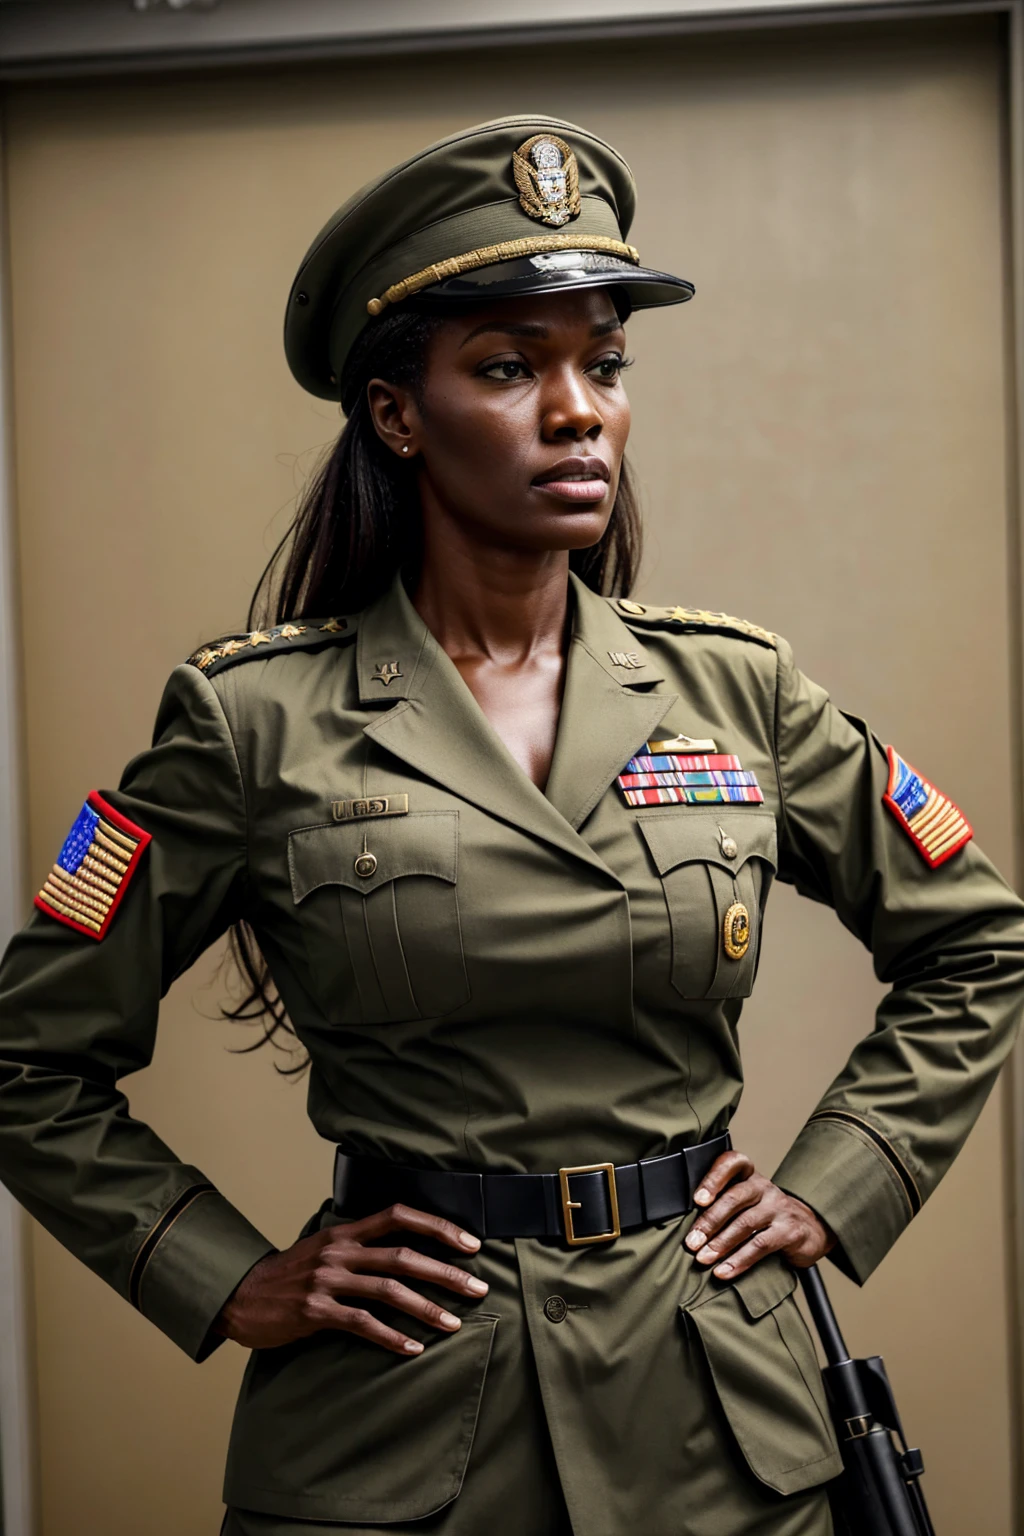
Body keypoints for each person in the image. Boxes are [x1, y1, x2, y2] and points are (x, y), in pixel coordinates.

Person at [0, 113, 1021, 1536]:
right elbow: (26, 1058)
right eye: (506, 367)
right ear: (395, 413)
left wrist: (837, 1186)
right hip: (399, 1419)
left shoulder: (738, 693)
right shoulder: (257, 724)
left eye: (603, 363)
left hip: (714, 1403)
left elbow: (979, 946)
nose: (578, 409)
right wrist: (221, 1270)